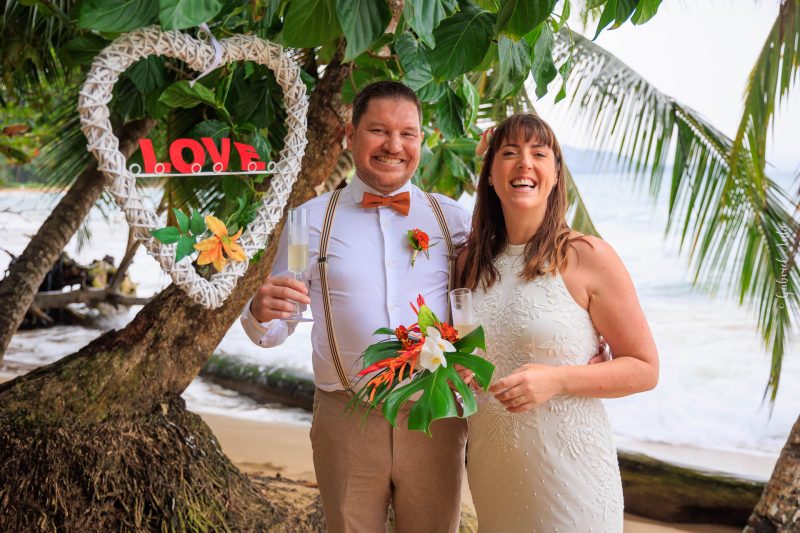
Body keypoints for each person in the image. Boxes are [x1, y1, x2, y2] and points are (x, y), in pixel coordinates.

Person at [240, 81, 472, 532]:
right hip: (345, 419)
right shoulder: (308, 221)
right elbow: (280, 321)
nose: (394, 146)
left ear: (422, 141)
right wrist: (259, 312)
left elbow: (487, 304)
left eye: (408, 133)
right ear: (350, 136)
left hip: (435, 416)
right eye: (379, 131)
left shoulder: (454, 221)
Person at [457, 113, 659, 532]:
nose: (524, 163)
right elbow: (460, 361)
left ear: (555, 174)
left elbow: (645, 368)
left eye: (538, 154)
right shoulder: (469, 262)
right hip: (494, 475)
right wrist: (459, 372)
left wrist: (557, 380)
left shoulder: (587, 256)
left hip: (573, 482)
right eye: (509, 153)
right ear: (491, 175)